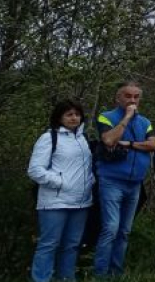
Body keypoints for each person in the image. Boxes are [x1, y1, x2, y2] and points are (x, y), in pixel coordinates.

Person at [94, 81, 155, 277]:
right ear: (118, 98)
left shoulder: (145, 122)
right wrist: (127, 117)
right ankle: (100, 274)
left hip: (135, 183)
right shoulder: (106, 117)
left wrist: (129, 144)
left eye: (136, 97)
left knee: (125, 231)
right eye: (128, 96)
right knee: (111, 229)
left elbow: (154, 145)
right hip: (112, 181)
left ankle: (116, 272)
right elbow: (109, 140)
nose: (132, 100)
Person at [28, 99, 95, 282]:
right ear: (60, 117)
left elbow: (86, 168)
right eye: (69, 114)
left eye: (77, 114)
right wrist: (60, 182)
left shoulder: (83, 139)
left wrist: (90, 181)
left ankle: (66, 278)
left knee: (72, 245)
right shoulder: (49, 138)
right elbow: (35, 170)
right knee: (49, 244)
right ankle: (41, 279)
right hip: (54, 202)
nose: (74, 118)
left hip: (81, 202)